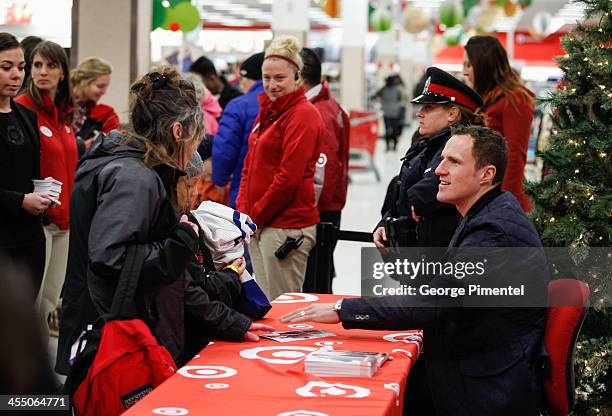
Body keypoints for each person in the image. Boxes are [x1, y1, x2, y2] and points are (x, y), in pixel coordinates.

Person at [281, 125, 548, 415]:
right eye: (442, 159)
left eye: (453, 162)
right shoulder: (486, 212)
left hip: (485, 382)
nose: (438, 171)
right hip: (473, 357)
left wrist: (345, 310)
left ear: (487, 175)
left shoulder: (493, 231)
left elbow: (434, 302)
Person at [57, 67, 271, 375]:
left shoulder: (126, 164)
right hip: (117, 335)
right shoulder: (135, 177)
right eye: (197, 139)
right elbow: (110, 257)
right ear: (178, 132)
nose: (195, 149)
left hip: (107, 327)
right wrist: (181, 240)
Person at [236, 35, 323, 301]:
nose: (271, 85)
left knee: (283, 312)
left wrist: (256, 217)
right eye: (266, 78)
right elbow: (249, 166)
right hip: (262, 224)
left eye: (279, 78)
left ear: (298, 77)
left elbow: (289, 178)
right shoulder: (271, 113)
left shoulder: (303, 115)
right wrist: (243, 215)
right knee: (266, 306)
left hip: (286, 226)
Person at [373, 67, 485, 249]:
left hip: (439, 254)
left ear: (452, 114)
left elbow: (426, 193)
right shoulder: (425, 143)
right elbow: (403, 188)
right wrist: (386, 223)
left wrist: (405, 206)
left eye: (429, 108)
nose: (420, 113)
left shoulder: (462, 147)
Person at [15, 41, 77, 332]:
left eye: (51, 65)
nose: (43, 72)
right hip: (38, 220)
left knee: (50, 301)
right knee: (32, 303)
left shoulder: (63, 114)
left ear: (62, 72)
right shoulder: (22, 109)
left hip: (65, 222)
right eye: (37, 65)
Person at [0, 32, 51, 301]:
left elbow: (31, 171)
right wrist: (20, 200)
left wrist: (45, 192)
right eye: (6, 68)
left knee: (24, 316)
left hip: (29, 235)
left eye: (21, 67)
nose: (16, 75)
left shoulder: (27, 116)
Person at [463, 35, 535, 212]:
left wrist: (504, 203)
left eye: (468, 65)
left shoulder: (514, 99)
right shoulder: (487, 97)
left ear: (484, 65)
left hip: (501, 199)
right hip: (483, 193)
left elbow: (515, 155)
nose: (464, 72)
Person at [212, 51, 265, 209]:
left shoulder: (238, 106)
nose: (241, 84)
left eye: (243, 79)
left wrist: (219, 180)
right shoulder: (289, 105)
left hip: (245, 189)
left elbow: (225, 148)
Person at [71, 57, 120, 157]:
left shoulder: (87, 108)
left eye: (106, 87)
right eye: (100, 86)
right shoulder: (66, 106)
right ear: (85, 82)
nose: (104, 92)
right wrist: (81, 146)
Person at [374, 74, 406, 151]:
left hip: (386, 112)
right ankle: (394, 146)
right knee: (395, 129)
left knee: (387, 129)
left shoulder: (383, 89)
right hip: (395, 112)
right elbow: (400, 99)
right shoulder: (397, 89)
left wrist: (382, 101)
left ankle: (388, 146)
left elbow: (375, 96)